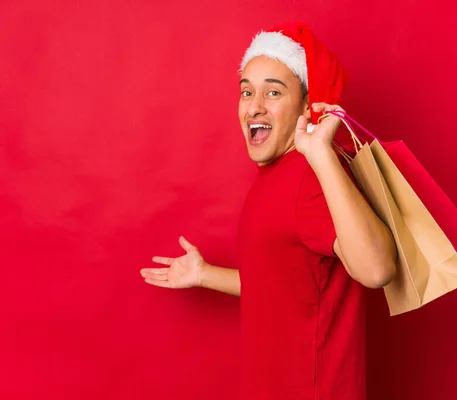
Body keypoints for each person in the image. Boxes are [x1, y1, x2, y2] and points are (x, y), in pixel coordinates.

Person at [140, 22, 397, 400]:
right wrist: (205, 273)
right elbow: (283, 288)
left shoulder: (310, 176)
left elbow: (377, 270)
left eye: (273, 92)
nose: (254, 105)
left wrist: (321, 154)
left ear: (307, 106)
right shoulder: (277, 177)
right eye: (247, 91)